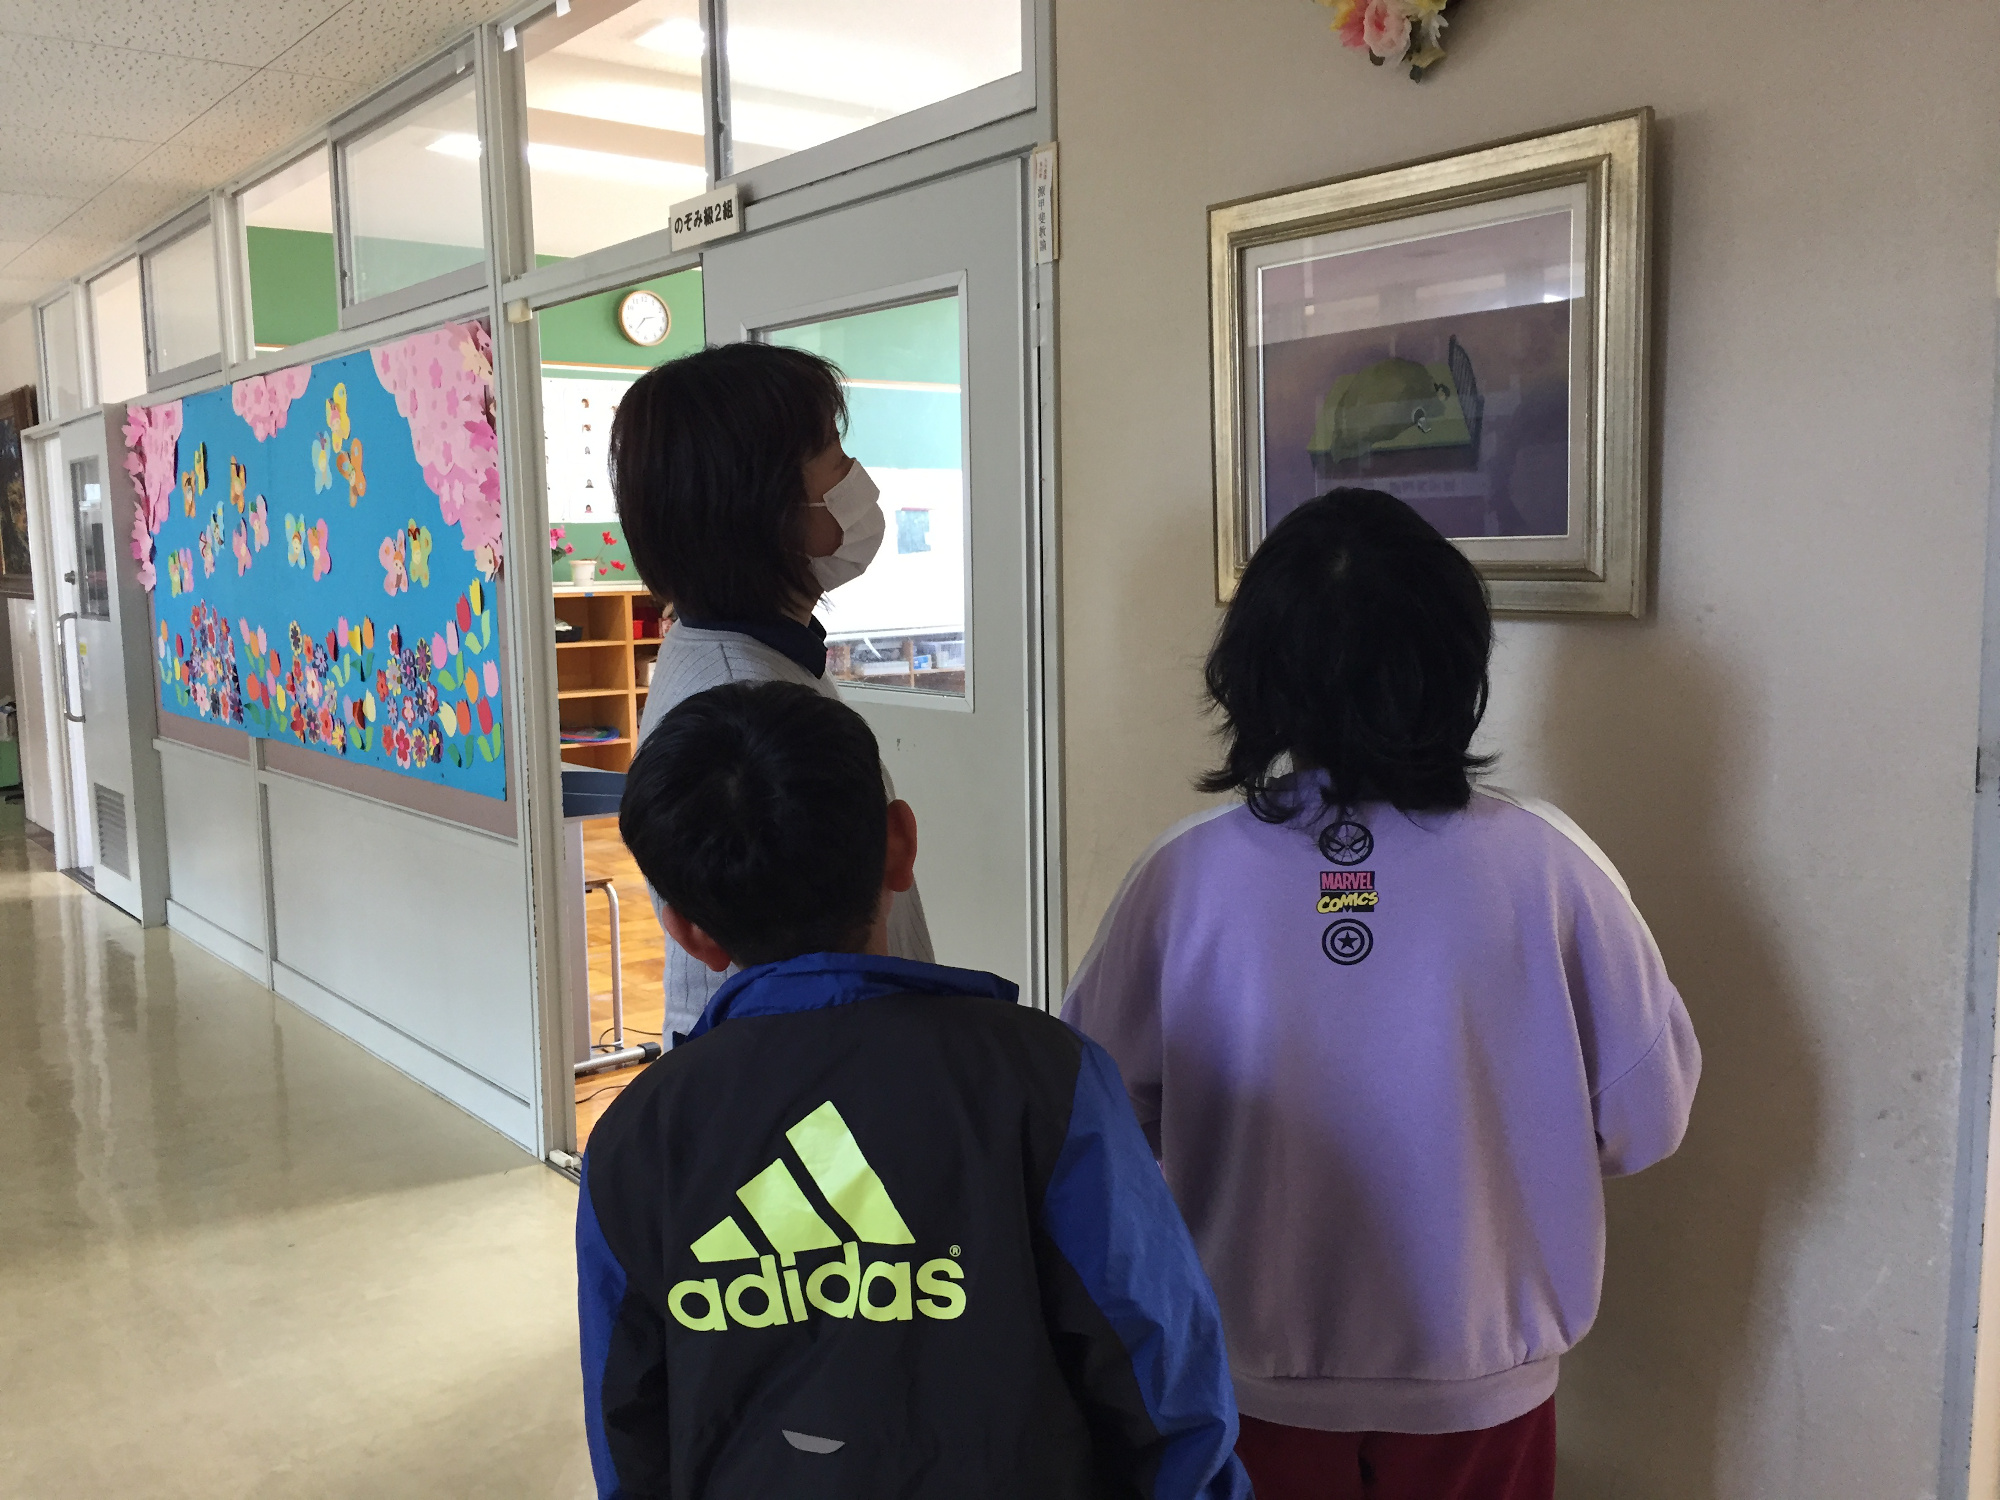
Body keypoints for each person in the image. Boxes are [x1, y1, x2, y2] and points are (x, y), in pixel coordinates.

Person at [1062, 489, 1702, 1500]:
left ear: (1254, 673)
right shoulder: (1551, 867)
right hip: (1481, 1385)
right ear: (1457, 663)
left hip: (1250, 1378)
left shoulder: (1182, 875)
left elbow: (1093, 1110)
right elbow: (1644, 1120)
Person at [577, 680, 1252, 1499]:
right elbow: (1162, 1372)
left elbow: (629, 1432)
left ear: (686, 931)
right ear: (901, 844)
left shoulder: (636, 1138)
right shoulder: (1046, 1078)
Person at [611, 342, 931, 1042]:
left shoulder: (755, 654)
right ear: (760, 505)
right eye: (833, 455)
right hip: (812, 1067)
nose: (856, 478)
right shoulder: (740, 704)